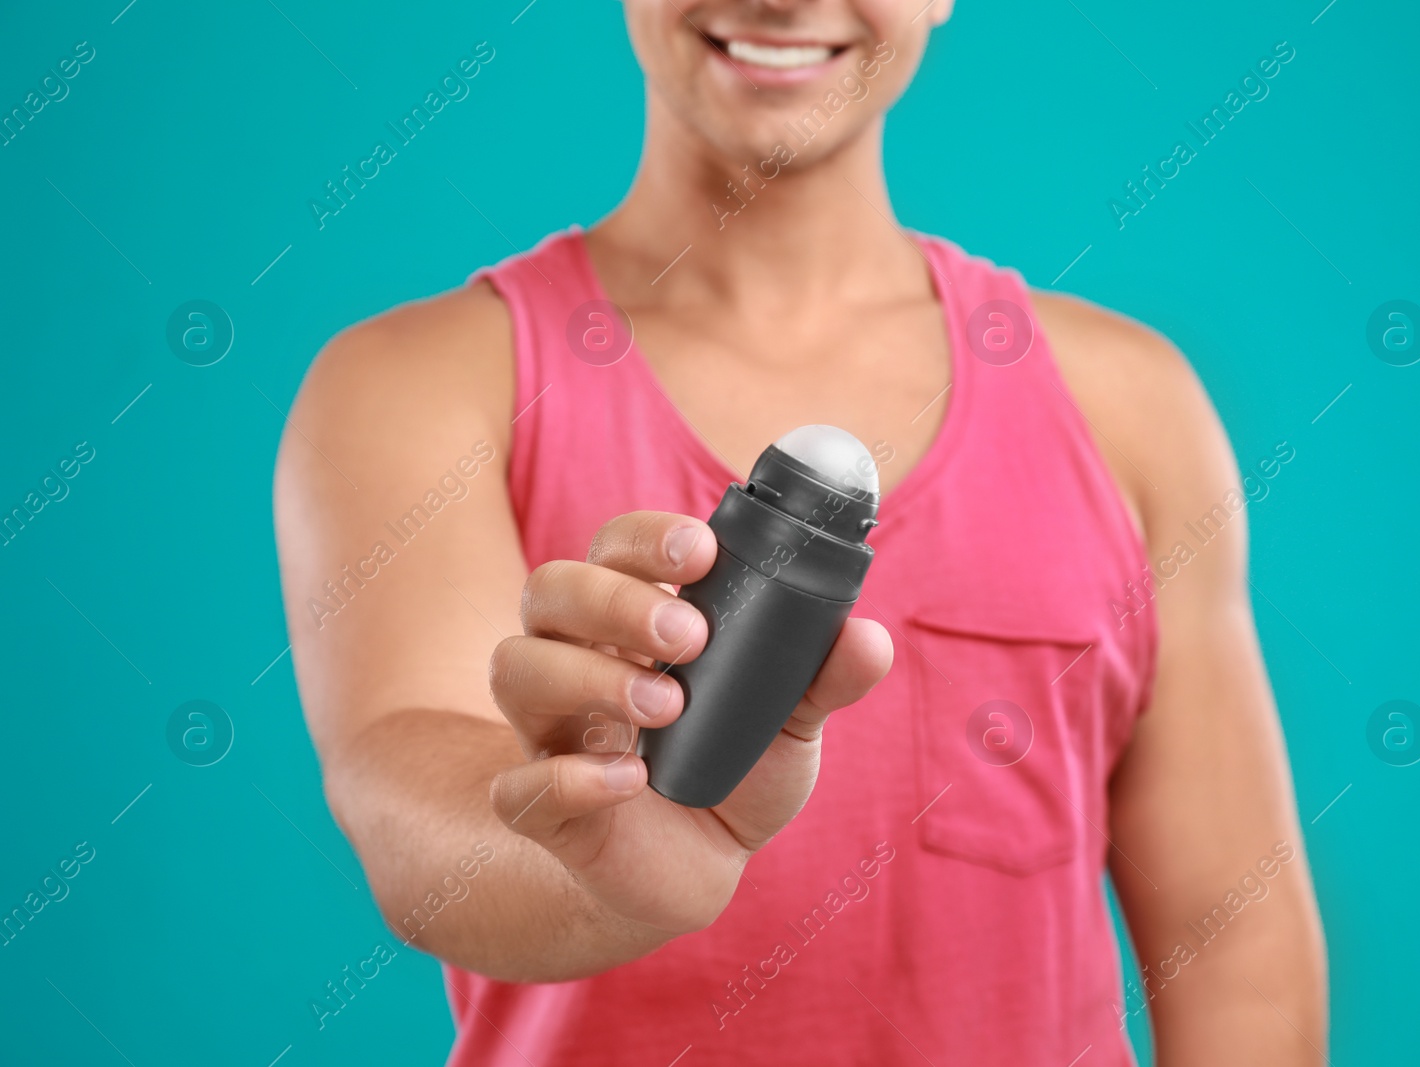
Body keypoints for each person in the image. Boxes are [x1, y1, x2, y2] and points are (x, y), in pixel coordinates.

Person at [274, 1, 1327, 1063]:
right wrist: (594, 869)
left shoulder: (1130, 408)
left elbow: (1232, 943)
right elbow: (409, 792)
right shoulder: (416, 390)